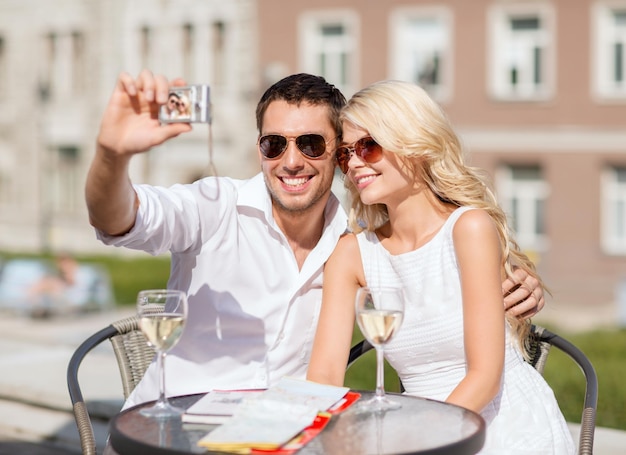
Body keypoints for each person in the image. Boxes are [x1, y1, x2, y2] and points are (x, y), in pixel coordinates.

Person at [85, 70, 545, 410]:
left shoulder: (352, 242)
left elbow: (436, 285)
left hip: (283, 433)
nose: (291, 160)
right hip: (177, 424)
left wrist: (520, 280)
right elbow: (117, 218)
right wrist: (111, 155)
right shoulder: (213, 206)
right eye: (273, 144)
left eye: (312, 144)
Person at [306, 80, 574, 453]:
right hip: (413, 428)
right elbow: (323, 377)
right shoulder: (351, 254)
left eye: (368, 146)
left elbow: (484, 377)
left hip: (502, 427)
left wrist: (416, 440)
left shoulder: (469, 228)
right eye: (345, 154)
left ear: (413, 145)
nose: (353, 164)